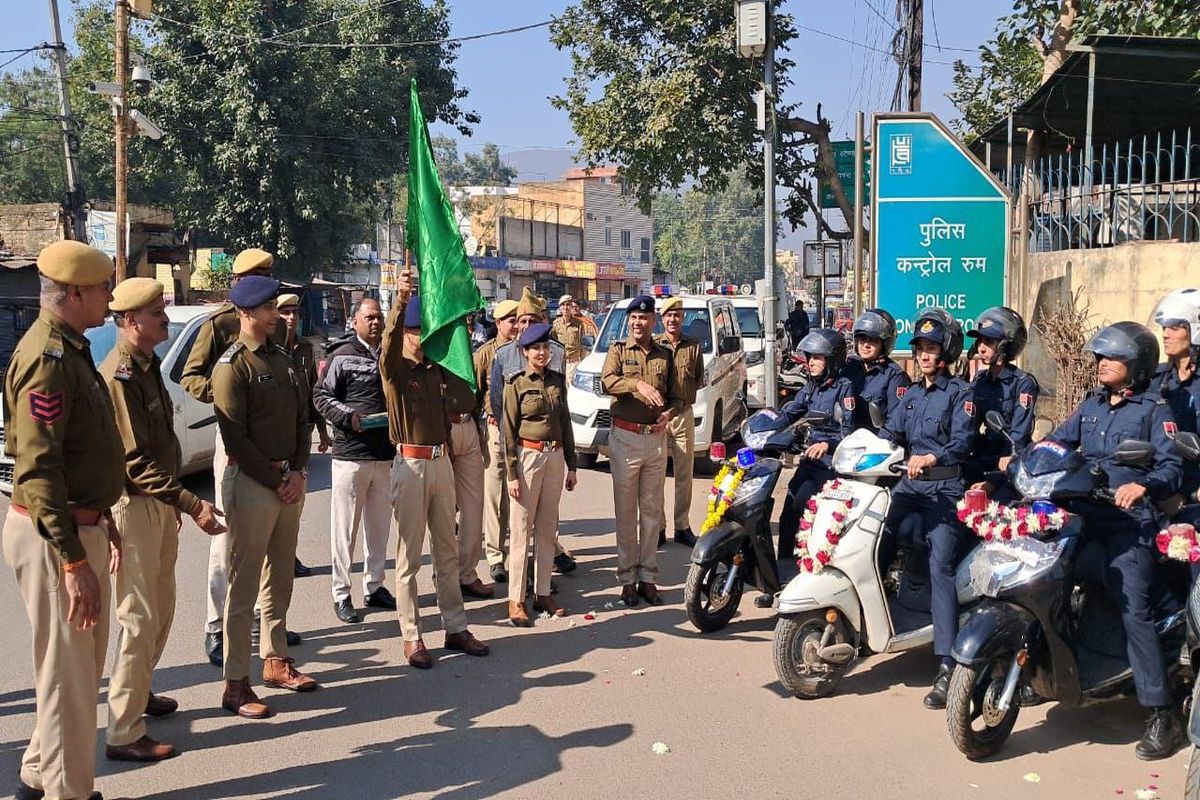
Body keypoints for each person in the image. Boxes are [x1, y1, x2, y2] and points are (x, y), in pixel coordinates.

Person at [3, 240, 124, 800]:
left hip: (80, 525)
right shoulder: (48, 360)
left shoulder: (70, 348)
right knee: (72, 681)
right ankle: (70, 793)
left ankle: (37, 774)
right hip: (58, 535)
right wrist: (74, 556)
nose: (108, 299)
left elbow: (83, 453)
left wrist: (104, 517)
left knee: (68, 671)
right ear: (74, 293)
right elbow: (39, 467)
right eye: (102, 289)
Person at [101, 278, 227, 763]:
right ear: (132, 322)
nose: (162, 319)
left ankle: (139, 692)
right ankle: (123, 732)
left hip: (159, 504)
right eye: (156, 312)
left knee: (163, 606)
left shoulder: (148, 366)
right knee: (138, 617)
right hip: (134, 505)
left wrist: (173, 503)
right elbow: (135, 461)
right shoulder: (121, 375)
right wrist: (190, 503)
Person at [1049, 321, 1183, 760]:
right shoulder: (1090, 406)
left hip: (1129, 527)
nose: (1103, 363)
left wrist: (1144, 487)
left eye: (1113, 357)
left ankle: (1160, 713)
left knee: (1134, 611)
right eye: (1100, 356)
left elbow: (1171, 469)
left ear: (1137, 365)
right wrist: (1032, 458)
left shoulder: (1153, 410)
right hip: (1085, 517)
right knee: (1046, 581)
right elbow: (1056, 444)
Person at [179, 247, 292, 666]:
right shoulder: (221, 323)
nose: (267, 282)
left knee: (273, 541)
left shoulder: (275, 321)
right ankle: (216, 623)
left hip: (273, 436)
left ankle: (267, 622)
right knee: (228, 538)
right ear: (239, 283)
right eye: (259, 275)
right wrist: (231, 396)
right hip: (235, 433)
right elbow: (190, 376)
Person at [212, 276, 318, 719]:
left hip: (286, 481)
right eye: (269, 308)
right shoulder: (232, 366)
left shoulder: (285, 360)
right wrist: (276, 479)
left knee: (280, 578)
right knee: (244, 585)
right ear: (246, 313)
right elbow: (234, 437)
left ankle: (276, 660)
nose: (278, 314)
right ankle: (236, 683)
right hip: (253, 484)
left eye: (277, 306)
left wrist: (297, 469)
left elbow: (301, 419)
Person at [381, 276, 489, 669]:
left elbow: (466, 396)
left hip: (441, 462)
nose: (416, 337)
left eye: (421, 330)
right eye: (412, 331)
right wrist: (401, 301)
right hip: (410, 463)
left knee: (447, 548)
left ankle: (455, 626)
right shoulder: (394, 370)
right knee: (409, 555)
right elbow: (388, 346)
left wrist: (454, 332)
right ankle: (411, 634)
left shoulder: (436, 370)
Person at [877, 308, 975, 711]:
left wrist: (932, 459)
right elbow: (891, 432)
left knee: (941, 566)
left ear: (946, 352)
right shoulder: (912, 394)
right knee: (874, 539)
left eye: (932, 348)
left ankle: (947, 663)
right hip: (908, 488)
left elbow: (962, 443)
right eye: (920, 348)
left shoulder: (960, 395)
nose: (924, 355)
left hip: (945, 492)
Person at [312, 298, 397, 625]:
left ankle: (374, 586)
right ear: (354, 321)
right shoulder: (341, 356)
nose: (375, 323)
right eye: (369, 317)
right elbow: (321, 396)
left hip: (384, 455)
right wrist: (351, 418)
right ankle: (341, 592)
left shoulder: (390, 355)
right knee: (345, 529)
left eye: (379, 317)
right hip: (350, 455)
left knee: (379, 527)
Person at [601, 294, 682, 607]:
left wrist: (669, 414)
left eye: (644, 318)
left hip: (655, 439)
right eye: (634, 317)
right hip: (625, 438)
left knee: (651, 512)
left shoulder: (664, 354)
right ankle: (627, 579)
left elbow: (676, 396)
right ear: (629, 320)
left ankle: (648, 577)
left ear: (653, 322)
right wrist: (637, 385)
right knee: (626, 513)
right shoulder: (618, 350)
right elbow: (608, 381)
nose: (639, 322)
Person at [766, 329, 856, 606]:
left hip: (831, 466)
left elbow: (849, 430)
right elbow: (791, 411)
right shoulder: (811, 386)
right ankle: (781, 576)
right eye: (810, 357)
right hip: (809, 460)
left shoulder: (844, 388)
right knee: (790, 511)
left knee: (816, 519)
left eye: (818, 357)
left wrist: (828, 445)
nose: (812, 362)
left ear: (832, 359)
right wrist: (764, 425)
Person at [491, 287, 577, 576]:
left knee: (545, 513)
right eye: (521, 320)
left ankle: (544, 566)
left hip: (546, 448)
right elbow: (496, 401)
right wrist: (511, 446)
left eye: (532, 320)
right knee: (514, 512)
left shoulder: (557, 353)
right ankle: (508, 566)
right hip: (514, 442)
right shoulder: (503, 355)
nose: (525, 326)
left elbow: (560, 405)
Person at [503, 322, 578, 625]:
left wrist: (572, 464)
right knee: (522, 530)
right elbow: (508, 431)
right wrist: (510, 473)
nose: (542, 353)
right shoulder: (516, 384)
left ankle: (543, 592)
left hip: (555, 455)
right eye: (536, 348)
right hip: (528, 457)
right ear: (525, 352)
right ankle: (516, 599)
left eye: (546, 348)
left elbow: (566, 424)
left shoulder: (558, 381)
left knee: (547, 529)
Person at [277, 292, 330, 579]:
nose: (291, 317)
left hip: (301, 438)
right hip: (274, 439)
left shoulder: (305, 350)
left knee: (297, 504)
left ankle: (290, 554)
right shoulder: (269, 349)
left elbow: (313, 390)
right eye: (284, 312)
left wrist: (322, 431)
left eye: (295, 312)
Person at [964, 307, 1039, 492]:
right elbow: (968, 423)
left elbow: (1019, 435)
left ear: (1005, 345)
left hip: (1010, 458)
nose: (981, 347)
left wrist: (1004, 469)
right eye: (980, 341)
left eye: (988, 342)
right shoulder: (980, 380)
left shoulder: (1022, 383)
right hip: (984, 454)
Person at [474, 298, 520, 583]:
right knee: (494, 496)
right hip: (494, 428)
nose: (516, 326)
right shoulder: (485, 354)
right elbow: (476, 395)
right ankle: (495, 555)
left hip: (522, 432)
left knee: (518, 495)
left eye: (519, 320)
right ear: (499, 323)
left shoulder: (526, 350)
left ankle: (518, 552)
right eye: (510, 321)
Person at [445, 335, 493, 601]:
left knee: (473, 508)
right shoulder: (433, 352)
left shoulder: (468, 353)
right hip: (444, 429)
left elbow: (478, 392)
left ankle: (467, 573)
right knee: (443, 511)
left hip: (469, 427)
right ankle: (446, 576)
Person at [655, 296, 704, 547]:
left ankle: (682, 526)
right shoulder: (654, 345)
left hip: (683, 415)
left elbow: (697, 379)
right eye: (668, 315)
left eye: (677, 315)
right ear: (662, 319)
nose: (673, 319)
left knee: (685, 474)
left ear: (682, 317)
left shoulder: (693, 346)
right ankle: (659, 527)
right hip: (659, 417)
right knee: (657, 475)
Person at [1151, 289, 1200, 511]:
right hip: (1158, 486)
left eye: (1175, 327)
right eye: (1164, 328)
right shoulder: (1156, 378)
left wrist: (1187, 494)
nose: (1165, 334)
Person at [841, 308, 910, 432]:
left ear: (884, 344)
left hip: (878, 443)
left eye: (872, 340)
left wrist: (879, 442)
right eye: (862, 339)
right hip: (848, 441)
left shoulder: (895, 376)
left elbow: (896, 421)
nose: (866, 345)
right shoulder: (849, 369)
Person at [552, 294, 586, 383]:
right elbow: (553, 344)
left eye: (568, 304)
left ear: (571, 307)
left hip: (574, 363)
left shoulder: (579, 324)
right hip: (560, 363)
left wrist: (582, 364)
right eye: (563, 305)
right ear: (560, 307)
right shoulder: (556, 324)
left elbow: (583, 345)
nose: (565, 307)